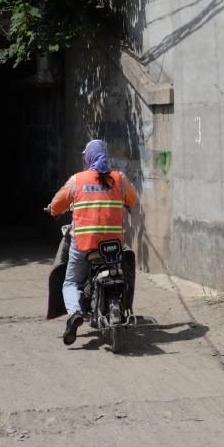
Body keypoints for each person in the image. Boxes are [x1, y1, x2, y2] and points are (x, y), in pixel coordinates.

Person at [47, 139, 139, 345]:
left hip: (84, 244)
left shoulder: (77, 180)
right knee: (122, 266)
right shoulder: (119, 178)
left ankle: (74, 313)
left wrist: (52, 209)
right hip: (113, 246)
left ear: (88, 158)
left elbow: (57, 205)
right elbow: (132, 200)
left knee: (71, 281)